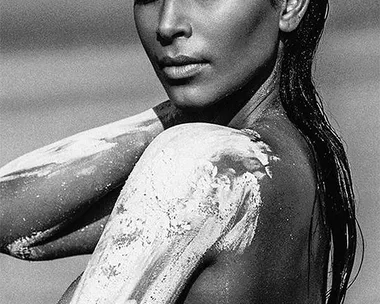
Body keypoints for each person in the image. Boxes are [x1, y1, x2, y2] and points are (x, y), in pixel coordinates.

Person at [0, 0, 358, 303]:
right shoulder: (301, 157)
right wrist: (174, 117)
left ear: (290, 4)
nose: (167, 25)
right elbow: (12, 222)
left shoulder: (209, 166)